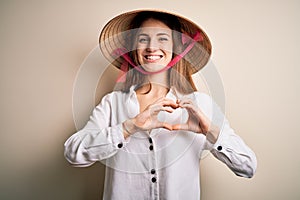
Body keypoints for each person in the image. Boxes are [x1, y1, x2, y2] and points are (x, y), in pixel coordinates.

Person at [64, 9, 257, 200]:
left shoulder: (199, 105)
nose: (151, 47)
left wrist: (210, 131)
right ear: (133, 49)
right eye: (142, 39)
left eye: (163, 38)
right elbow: (73, 154)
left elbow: (248, 166)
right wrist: (128, 127)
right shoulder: (112, 103)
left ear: (175, 48)